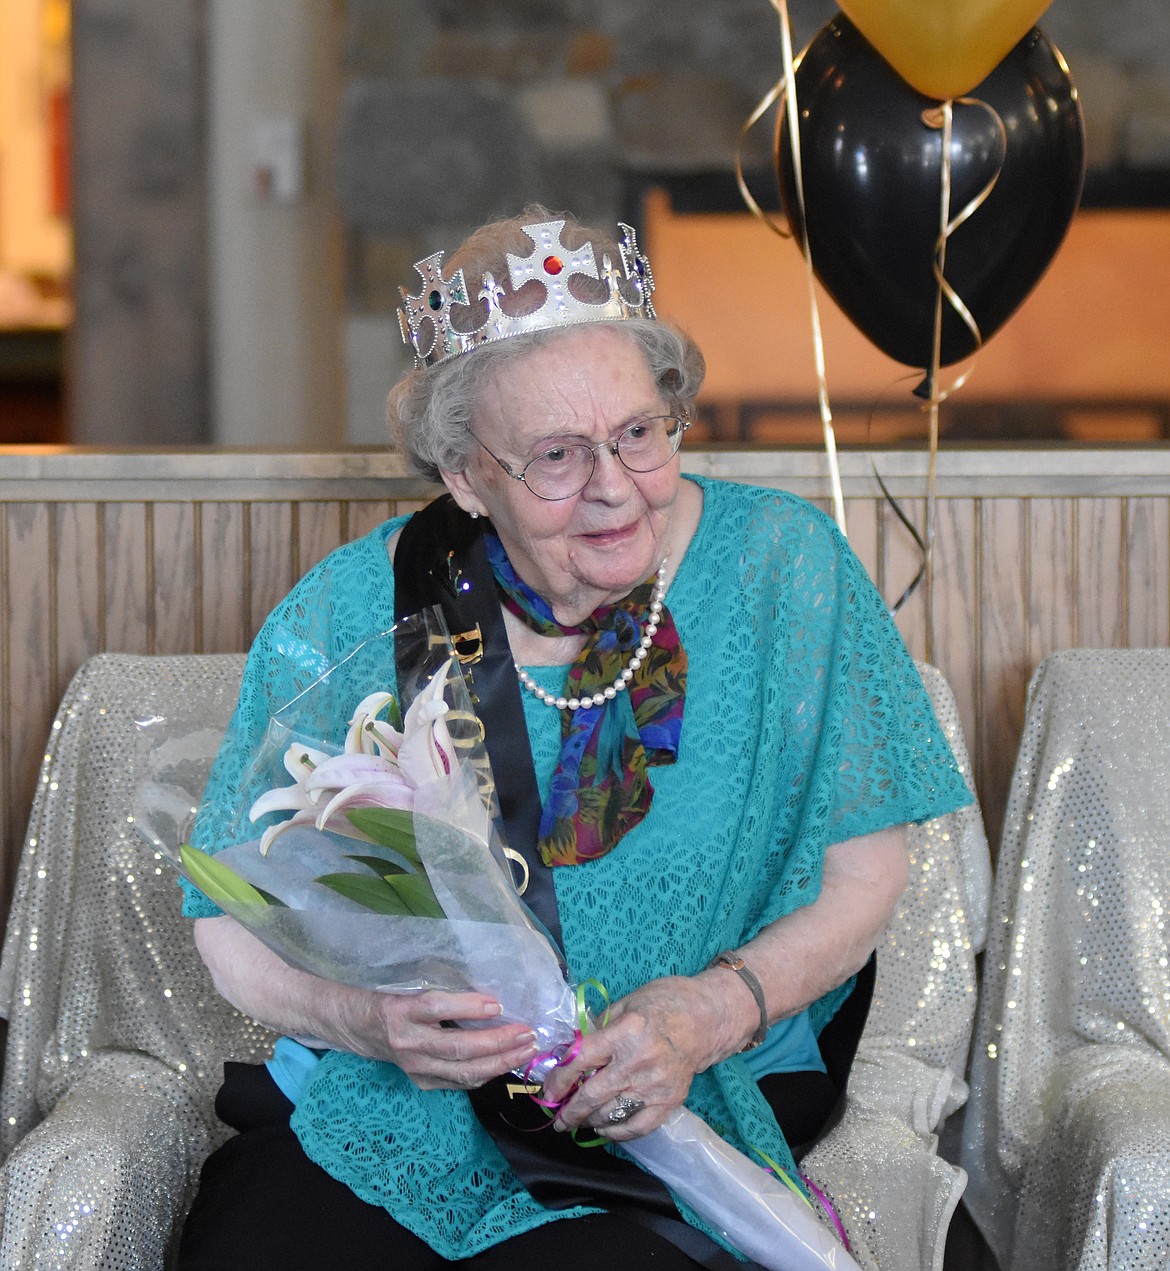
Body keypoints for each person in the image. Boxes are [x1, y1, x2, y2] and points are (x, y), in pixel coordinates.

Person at [177, 208, 971, 1269]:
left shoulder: (784, 567)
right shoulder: (360, 606)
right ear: (466, 476)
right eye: (555, 454)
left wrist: (707, 1011)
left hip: (680, 1094)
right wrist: (366, 1020)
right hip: (401, 1103)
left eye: (640, 432)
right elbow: (223, 920)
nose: (613, 484)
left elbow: (866, 874)